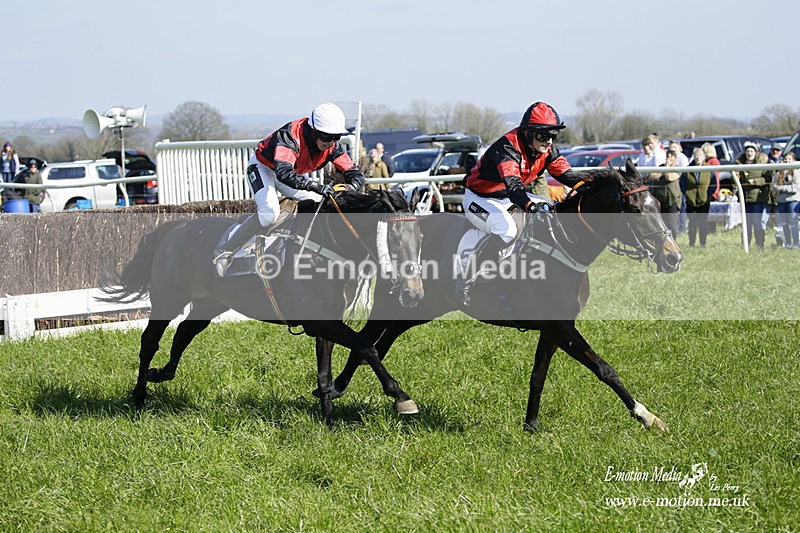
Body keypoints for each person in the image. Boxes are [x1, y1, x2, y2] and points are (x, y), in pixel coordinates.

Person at [212, 103, 365, 275]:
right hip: (263, 168)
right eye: (325, 136)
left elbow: (355, 174)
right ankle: (225, 250)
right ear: (313, 131)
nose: (330, 142)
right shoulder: (291, 135)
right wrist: (316, 186)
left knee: (320, 205)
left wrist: (352, 187)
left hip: (289, 173)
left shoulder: (331, 146)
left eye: (335, 136)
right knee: (269, 214)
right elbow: (284, 173)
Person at [457, 101, 580, 305]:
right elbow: (514, 187)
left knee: (553, 211)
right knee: (506, 231)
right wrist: (531, 207)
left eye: (553, 135)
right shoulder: (507, 147)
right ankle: (467, 277)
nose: (548, 141)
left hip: (506, 197)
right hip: (479, 198)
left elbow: (569, 176)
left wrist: (592, 184)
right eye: (543, 134)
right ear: (527, 133)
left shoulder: (546, 150)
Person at [733, 141, 772, 250]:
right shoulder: (740, 165)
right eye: (747, 151)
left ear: (756, 152)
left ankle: (760, 245)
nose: (749, 153)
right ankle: (745, 245)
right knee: (746, 225)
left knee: (757, 224)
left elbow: (768, 179)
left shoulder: (762, 164)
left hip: (757, 200)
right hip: (745, 200)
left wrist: (755, 181)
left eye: (751, 151)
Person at [682, 147, 714, 247]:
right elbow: (682, 184)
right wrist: (687, 194)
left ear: (704, 157)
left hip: (704, 201)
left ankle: (703, 243)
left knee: (703, 224)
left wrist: (708, 195)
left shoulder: (709, 169)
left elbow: (714, 184)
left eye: (700, 155)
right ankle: (691, 243)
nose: (698, 157)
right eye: (696, 155)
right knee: (692, 224)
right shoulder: (687, 169)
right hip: (691, 201)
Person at [646, 149, 681, 237]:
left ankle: (674, 243)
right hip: (659, 200)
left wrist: (666, 167)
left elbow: (669, 177)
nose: (669, 158)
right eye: (667, 156)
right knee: (661, 224)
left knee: (672, 225)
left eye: (671, 157)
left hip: (672, 200)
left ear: (675, 158)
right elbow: (651, 176)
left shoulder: (678, 168)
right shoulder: (661, 166)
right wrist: (664, 169)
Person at [771, 151, 800, 248]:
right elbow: (774, 185)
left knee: (793, 223)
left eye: (789, 159)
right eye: (785, 159)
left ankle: (796, 243)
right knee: (784, 224)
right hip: (781, 202)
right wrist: (784, 188)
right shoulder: (779, 172)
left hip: (792, 201)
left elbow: (795, 188)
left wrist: (781, 188)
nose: (787, 161)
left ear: (793, 160)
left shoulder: (796, 172)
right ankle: (788, 243)